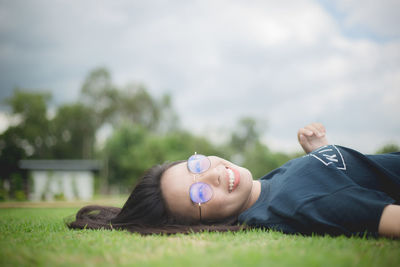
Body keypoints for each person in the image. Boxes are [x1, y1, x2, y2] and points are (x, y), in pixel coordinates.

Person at [67, 123, 400, 237]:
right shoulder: (302, 203)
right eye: (199, 192)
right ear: (202, 223)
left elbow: (351, 181)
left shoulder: (268, 187)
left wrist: (320, 152)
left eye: (195, 165)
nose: (211, 174)